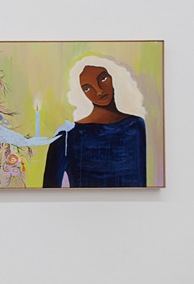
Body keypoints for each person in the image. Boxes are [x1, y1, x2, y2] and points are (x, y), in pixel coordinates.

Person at [42, 57, 147, 188]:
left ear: (113, 78)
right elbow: (49, 188)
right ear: (81, 93)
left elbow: (141, 181)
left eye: (102, 79)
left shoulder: (136, 125)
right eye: (87, 88)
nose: (99, 90)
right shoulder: (66, 137)